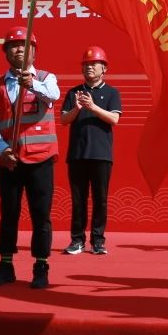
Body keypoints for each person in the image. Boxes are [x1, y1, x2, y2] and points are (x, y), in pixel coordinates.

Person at [0, 26, 61, 289]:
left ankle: (41, 267)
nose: (18, 50)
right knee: (9, 213)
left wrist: (32, 84)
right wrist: (0, 146)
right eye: (13, 46)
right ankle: (5, 266)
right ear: (6, 52)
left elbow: (53, 96)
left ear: (33, 52)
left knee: (41, 215)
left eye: (24, 45)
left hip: (40, 159)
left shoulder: (46, 79)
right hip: (10, 160)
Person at [60, 45, 122, 256]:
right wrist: (77, 108)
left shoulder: (112, 93)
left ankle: (98, 241)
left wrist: (93, 107)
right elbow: (63, 120)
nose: (89, 67)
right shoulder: (74, 93)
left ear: (104, 68)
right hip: (77, 155)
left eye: (94, 64)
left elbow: (114, 119)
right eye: (86, 64)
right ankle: (77, 240)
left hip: (101, 155)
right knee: (78, 200)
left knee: (100, 200)